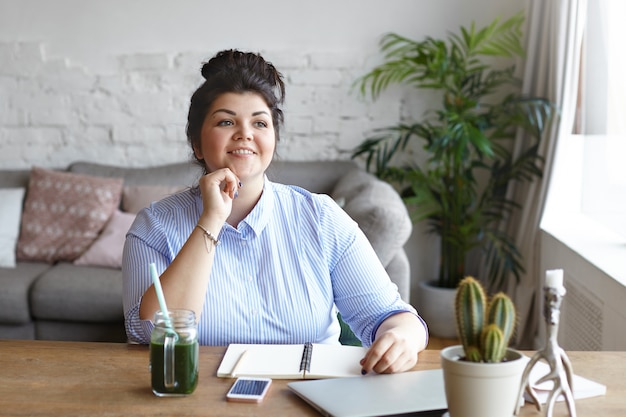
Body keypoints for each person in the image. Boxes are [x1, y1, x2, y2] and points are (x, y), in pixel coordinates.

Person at [122, 49, 428, 374]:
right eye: (226, 121)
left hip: (312, 396)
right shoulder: (153, 226)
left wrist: (403, 338)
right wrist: (211, 221)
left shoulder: (322, 217)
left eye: (259, 123)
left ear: (273, 139)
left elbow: (388, 315)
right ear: (197, 144)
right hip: (201, 399)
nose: (245, 133)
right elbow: (148, 332)